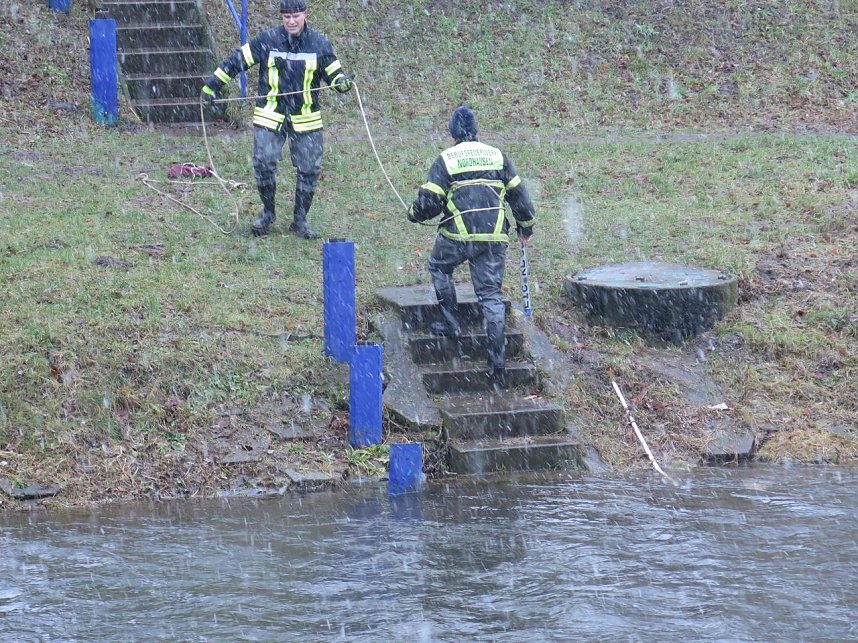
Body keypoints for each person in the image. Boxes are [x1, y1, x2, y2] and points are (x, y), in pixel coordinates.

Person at [201, 0, 352, 238]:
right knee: (263, 164)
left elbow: (334, 74)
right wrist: (212, 85)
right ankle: (268, 212)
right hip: (270, 116)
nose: (291, 21)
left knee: (309, 169)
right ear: (282, 18)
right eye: (286, 17)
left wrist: (342, 84)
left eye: (295, 16)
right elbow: (237, 60)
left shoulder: (320, 44)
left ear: (305, 14)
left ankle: (300, 220)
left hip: (306, 119)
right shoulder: (267, 40)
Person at [407, 106, 536, 379]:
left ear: (453, 133)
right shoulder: (497, 156)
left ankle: (451, 322)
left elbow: (430, 202)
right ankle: (498, 362)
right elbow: (519, 194)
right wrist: (526, 225)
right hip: (493, 236)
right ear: (476, 130)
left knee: (439, 266)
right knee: (490, 295)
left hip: (458, 235)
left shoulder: (446, 159)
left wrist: (414, 214)